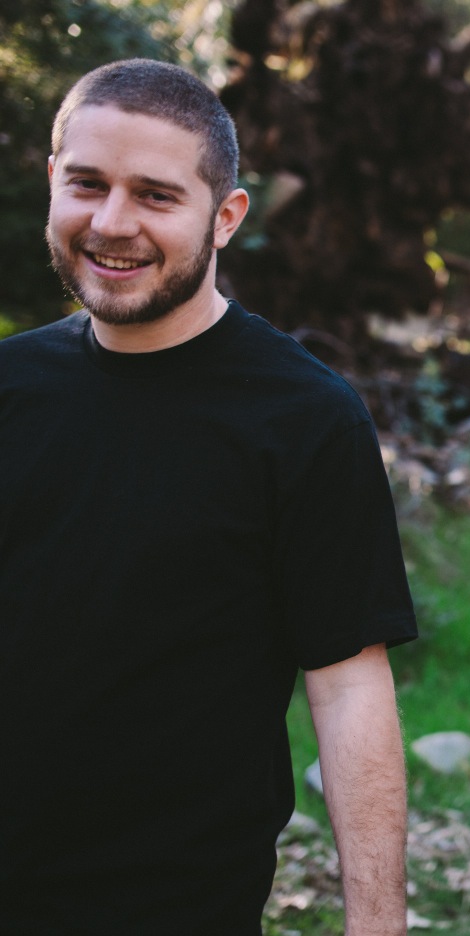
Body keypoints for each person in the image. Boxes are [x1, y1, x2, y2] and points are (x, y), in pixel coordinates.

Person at [0, 59, 417, 935]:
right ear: (52, 183)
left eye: (155, 195)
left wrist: (376, 924)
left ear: (225, 218)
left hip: (173, 906)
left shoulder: (305, 418)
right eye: (87, 184)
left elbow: (347, 690)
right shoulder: (11, 387)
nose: (111, 223)